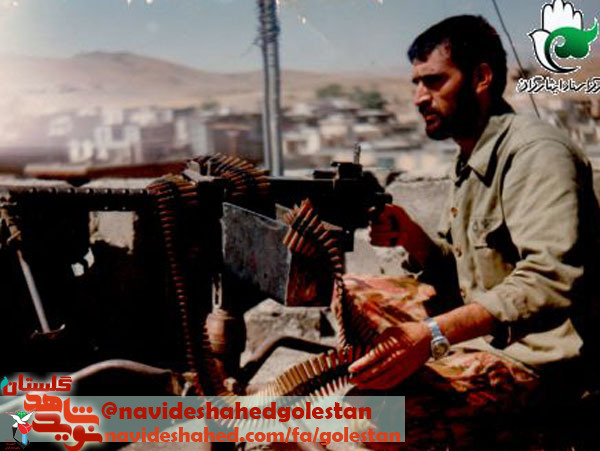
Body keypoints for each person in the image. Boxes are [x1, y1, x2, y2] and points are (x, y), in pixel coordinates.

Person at [345, 14, 600, 448]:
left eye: (434, 82)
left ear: (481, 77)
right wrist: (413, 238)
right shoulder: (471, 154)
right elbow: (469, 276)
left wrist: (432, 335)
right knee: (354, 292)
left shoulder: (537, 153)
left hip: (544, 365)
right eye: (416, 83)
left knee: (364, 420)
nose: (419, 98)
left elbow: (549, 279)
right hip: (488, 338)